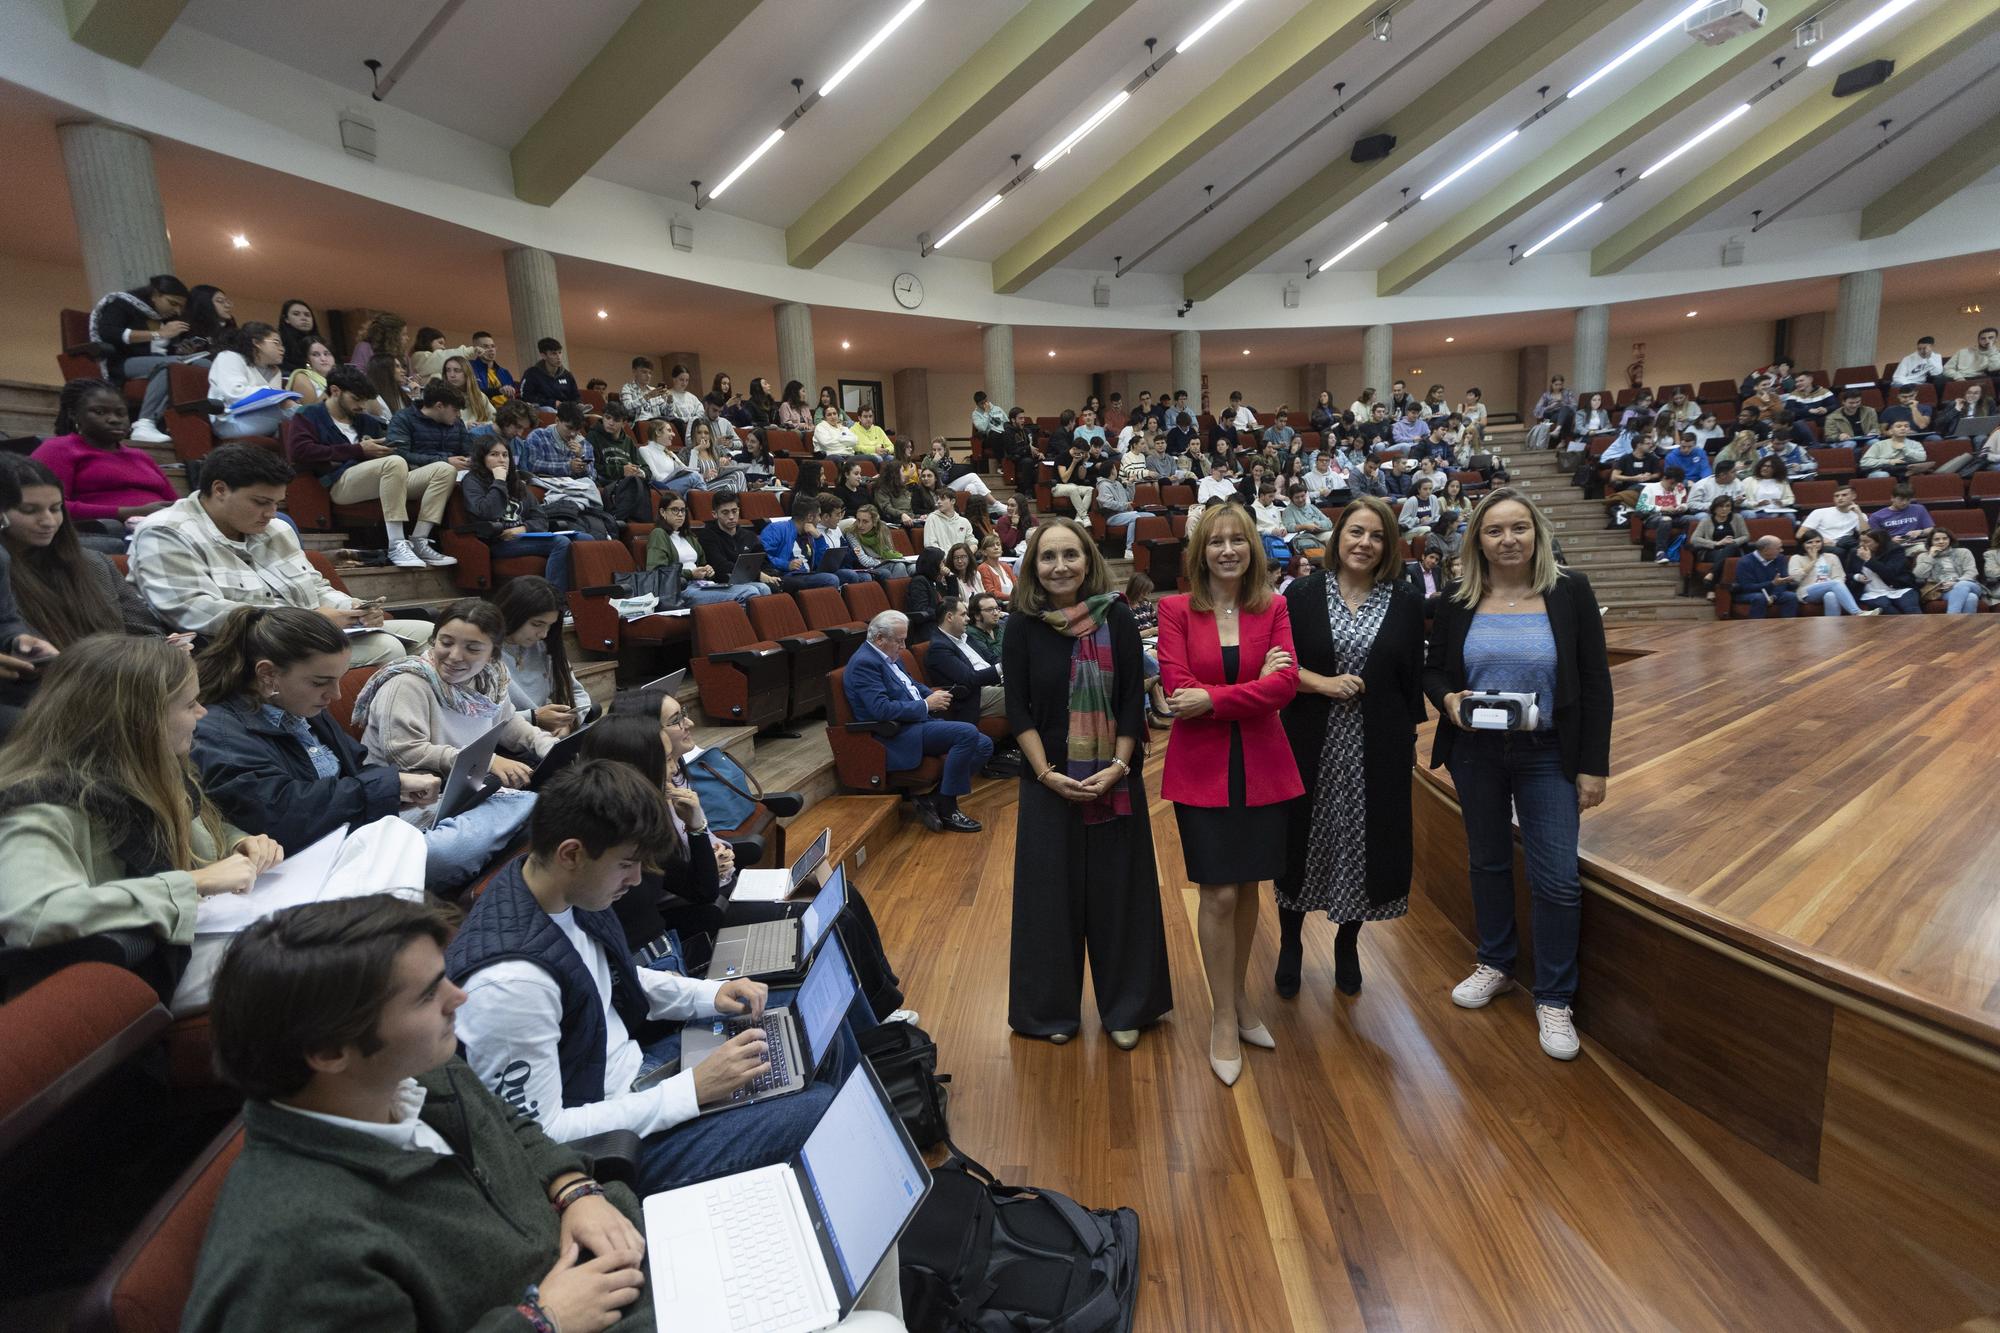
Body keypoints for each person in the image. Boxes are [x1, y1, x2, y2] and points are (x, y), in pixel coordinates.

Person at [182, 894, 656, 1333]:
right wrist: (541, 1320)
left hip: (601, 1257)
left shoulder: (414, 1070)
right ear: (328, 1052)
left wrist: (574, 1190)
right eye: (428, 995)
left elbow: (506, 1124)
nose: (459, 997)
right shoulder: (297, 1258)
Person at [444, 759, 861, 1198]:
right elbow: (540, 1137)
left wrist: (712, 994)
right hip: (611, 1147)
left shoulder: (561, 890)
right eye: (627, 863)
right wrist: (693, 1091)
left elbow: (614, 976)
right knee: (818, 1109)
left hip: (636, 1079)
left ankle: (871, 1131)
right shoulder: (509, 986)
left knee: (807, 1021)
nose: (637, 878)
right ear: (571, 853)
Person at [0, 633, 421, 1015]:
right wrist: (195, 883)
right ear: (137, 718)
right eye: (188, 704)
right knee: (349, 951)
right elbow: (35, 916)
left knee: (393, 835)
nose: (202, 713)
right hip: (158, 958)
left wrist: (240, 844)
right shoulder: (39, 801)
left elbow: (206, 834)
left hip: (208, 923)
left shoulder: (156, 764)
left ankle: (376, 950)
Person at [1425, 488, 1611, 1062]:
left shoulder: (1569, 592)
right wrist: (1449, 700)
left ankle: (1554, 996)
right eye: (1495, 530)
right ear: (1477, 539)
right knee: (1488, 860)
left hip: (1549, 752)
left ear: (1538, 533)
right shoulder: (1459, 599)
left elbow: (1596, 681)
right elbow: (1433, 670)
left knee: (1556, 878)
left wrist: (1592, 767)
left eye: (1519, 529)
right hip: (1476, 752)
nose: (1508, 540)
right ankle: (1497, 963)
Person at [187, 606, 528, 890]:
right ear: (267, 675)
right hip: (313, 861)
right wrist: (390, 785)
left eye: (339, 679)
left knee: (513, 803)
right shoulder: (217, 731)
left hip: (363, 832)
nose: (335, 695)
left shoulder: (300, 705)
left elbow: (356, 768)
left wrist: (399, 789)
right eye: (321, 682)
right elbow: (282, 814)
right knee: (456, 848)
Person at [1002, 518, 1169, 1048]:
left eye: (1070, 555)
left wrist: (1118, 768)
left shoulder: (1116, 617)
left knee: (1121, 890)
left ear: (1088, 560)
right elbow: (1017, 708)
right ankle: (1051, 1012)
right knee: (1049, 897)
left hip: (1113, 776)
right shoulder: (1023, 625)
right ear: (1034, 567)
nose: (1059, 567)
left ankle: (1126, 1009)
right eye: (1048, 557)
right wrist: (1048, 775)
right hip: (1046, 781)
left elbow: (1128, 701)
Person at [1157, 503, 1302, 1086]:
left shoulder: (1275, 607)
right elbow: (1175, 690)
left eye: (1237, 540)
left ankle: (1241, 1001)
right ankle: (1222, 1016)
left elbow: (1285, 687)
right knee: (1216, 893)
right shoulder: (1172, 610)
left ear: (1252, 549)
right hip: (1201, 770)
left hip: (1264, 768)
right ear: (1199, 553)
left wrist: (1216, 699)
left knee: (1248, 889)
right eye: (1215, 541)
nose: (1226, 550)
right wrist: (1253, 686)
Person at [1274, 495, 1424, 1000]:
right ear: (1338, 539)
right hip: (1309, 740)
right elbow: (1278, 668)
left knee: (1364, 848)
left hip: (1374, 748)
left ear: (1389, 546)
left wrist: (1408, 744)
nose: (1364, 543)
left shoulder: (1404, 600)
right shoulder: (1301, 594)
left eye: (1377, 536)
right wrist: (1325, 684)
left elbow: (1409, 680)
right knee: (1300, 842)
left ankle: (1346, 942)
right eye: (1356, 532)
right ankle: (1291, 942)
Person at [129, 444, 430, 665]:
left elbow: (316, 586)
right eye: (261, 502)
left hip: (307, 634)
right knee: (386, 647)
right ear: (219, 489)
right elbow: (196, 613)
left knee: (432, 635)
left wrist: (353, 609)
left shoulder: (276, 529)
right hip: (237, 651)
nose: (271, 514)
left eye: (277, 504)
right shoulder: (166, 533)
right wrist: (309, 620)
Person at [352, 598, 554, 788]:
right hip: (408, 797)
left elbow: (505, 723)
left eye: (473, 649)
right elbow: (404, 752)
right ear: (434, 640)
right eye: (446, 643)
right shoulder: (407, 683)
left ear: (493, 654)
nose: (455, 656)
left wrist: (543, 743)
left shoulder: (491, 679)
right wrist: (484, 761)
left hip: (462, 783)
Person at [286, 365, 461, 570]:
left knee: (444, 469)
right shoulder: (309, 414)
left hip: (378, 479)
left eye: (364, 400)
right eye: (356, 399)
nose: (361, 405)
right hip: (338, 483)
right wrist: (358, 450)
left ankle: (419, 540)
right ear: (335, 391)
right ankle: (396, 543)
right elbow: (300, 452)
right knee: (393, 464)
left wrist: (388, 447)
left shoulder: (366, 421)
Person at [844, 610, 992, 832]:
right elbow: (881, 709)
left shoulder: (888, 654)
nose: (903, 647)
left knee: (984, 744)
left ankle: (935, 798)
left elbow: (910, 685)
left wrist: (935, 694)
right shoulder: (864, 663)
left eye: (904, 640)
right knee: (967, 732)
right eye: (899, 641)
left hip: (918, 723)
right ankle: (949, 808)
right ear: (879, 639)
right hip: (896, 734)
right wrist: (926, 705)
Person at [0, 454, 167, 649]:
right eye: (29, 510)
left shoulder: (95, 562)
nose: (48, 521)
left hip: (121, 673)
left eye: (55, 509)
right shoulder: (5, 571)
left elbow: (149, 633)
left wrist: (162, 652)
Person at [32, 378, 178, 548]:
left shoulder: (140, 456)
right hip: (109, 532)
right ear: (74, 414)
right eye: (100, 412)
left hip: (163, 527)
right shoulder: (58, 449)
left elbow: (174, 501)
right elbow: (49, 506)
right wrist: (126, 513)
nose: (114, 419)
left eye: (121, 413)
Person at [86, 273, 192, 444]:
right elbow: (109, 333)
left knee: (201, 364)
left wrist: (182, 349)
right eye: (173, 303)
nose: (177, 310)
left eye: (181, 307)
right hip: (123, 361)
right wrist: (160, 334)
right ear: (155, 295)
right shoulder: (121, 303)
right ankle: (144, 424)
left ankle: (186, 426)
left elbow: (169, 349)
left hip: (157, 362)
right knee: (172, 365)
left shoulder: (168, 319)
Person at [494, 577, 593, 738]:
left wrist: (569, 724)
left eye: (549, 625)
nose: (543, 634)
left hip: (549, 739)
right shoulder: (483, 654)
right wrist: (534, 718)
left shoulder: (544, 647)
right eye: (537, 624)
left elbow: (578, 695)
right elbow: (482, 720)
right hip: (510, 745)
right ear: (512, 614)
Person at [925, 593, 1007, 728]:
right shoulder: (938, 648)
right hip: (975, 695)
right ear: (949, 617)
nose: (968, 619)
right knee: (1024, 694)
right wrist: (1003, 668)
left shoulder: (965, 636)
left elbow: (991, 658)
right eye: (963, 615)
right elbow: (970, 679)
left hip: (995, 683)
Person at [758, 495, 843, 593]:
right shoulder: (777, 529)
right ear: (810, 517)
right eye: (818, 515)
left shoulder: (810, 533)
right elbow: (763, 557)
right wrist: (786, 565)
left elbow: (822, 563)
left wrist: (818, 538)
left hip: (810, 573)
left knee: (848, 575)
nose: (820, 519)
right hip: (788, 575)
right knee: (831, 579)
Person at [1788, 529, 1867, 616]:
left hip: (1831, 588)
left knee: (1831, 595)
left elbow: (1839, 577)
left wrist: (1832, 586)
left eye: (1818, 541)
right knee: (1834, 584)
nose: (1814, 544)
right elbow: (1795, 578)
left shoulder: (1832, 557)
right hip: (1807, 591)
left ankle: (1831, 626)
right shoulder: (1796, 558)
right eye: (1809, 542)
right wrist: (1813, 560)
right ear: (1803, 544)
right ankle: (1857, 612)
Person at [1689, 496, 1751, 597]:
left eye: (1728, 506)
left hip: (1733, 549)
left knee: (1731, 547)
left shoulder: (1737, 518)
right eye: (1721, 506)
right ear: (1714, 508)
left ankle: (1711, 582)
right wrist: (1716, 543)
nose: (1724, 509)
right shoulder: (1706, 521)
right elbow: (1694, 539)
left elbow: (1746, 536)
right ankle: (1712, 579)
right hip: (1712, 551)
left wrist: (1733, 541)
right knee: (1723, 557)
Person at [1848, 527, 1920, 613]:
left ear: (1879, 542)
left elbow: (1890, 573)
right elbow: (1848, 573)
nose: (1861, 545)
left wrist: (1869, 560)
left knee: (1911, 609)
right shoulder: (1855, 552)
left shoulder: (1895, 550)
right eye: (1860, 541)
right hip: (1873, 592)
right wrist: (1857, 577)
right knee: (1888, 609)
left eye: (1866, 542)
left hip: (1899, 587)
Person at [1730, 536, 1799, 618]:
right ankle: (1757, 628)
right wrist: (1772, 583)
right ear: (1765, 550)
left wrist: (1774, 596)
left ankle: (1788, 627)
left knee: (1791, 596)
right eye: (1778, 548)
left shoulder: (1780, 558)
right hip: (1748, 593)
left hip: (1772, 592)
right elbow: (1747, 587)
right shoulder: (1745, 562)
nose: (1782, 550)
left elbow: (1782, 581)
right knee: (1759, 598)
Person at [1914, 529, 1980, 614]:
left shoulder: (1963, 552)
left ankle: (1951, 617)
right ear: (1931, 542)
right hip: (1943, 590)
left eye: (1945, 538)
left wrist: (1956, 582)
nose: (1941, 541)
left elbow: (1972, 572)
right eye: (1936, 539)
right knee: (1971, 598)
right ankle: (1966, 626)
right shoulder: (1923, 556)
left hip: (1969, 584)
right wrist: (1930, 557)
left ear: (1950, 540)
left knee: (1961, 584)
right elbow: (1919, 575)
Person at [1868, 483, 1936, 553]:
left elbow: (1930, 529)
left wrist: (1920, 532)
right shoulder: (1876, 516)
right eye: (1901, 499)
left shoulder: (1919, 509)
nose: (1904, 503)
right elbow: (1875, 539)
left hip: (1915, 543)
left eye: (1908, 500)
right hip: (1891, 547)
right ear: (1892, 498)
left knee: (1929, 548)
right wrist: (1890, 540)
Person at [518, 337, 579, 407]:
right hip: (542, 410)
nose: (558, 357)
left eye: (560, 353)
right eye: (554, 354)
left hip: (566, 410)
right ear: (543, 356)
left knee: (591, 416)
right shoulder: (531, 374)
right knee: (548, 410)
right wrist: (551, 403)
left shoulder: (567, 375)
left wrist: (576, 405)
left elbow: (576, 397)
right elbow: (526, 396)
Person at [923, 486, 977, 555]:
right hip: (941, 561)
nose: (938, 502)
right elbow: (930, 545)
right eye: (937, 499)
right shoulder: (932, 518)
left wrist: (967, 555)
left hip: (961, 561)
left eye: (942, 499)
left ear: (953, 501)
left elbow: (972, 542)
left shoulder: (964, 521)